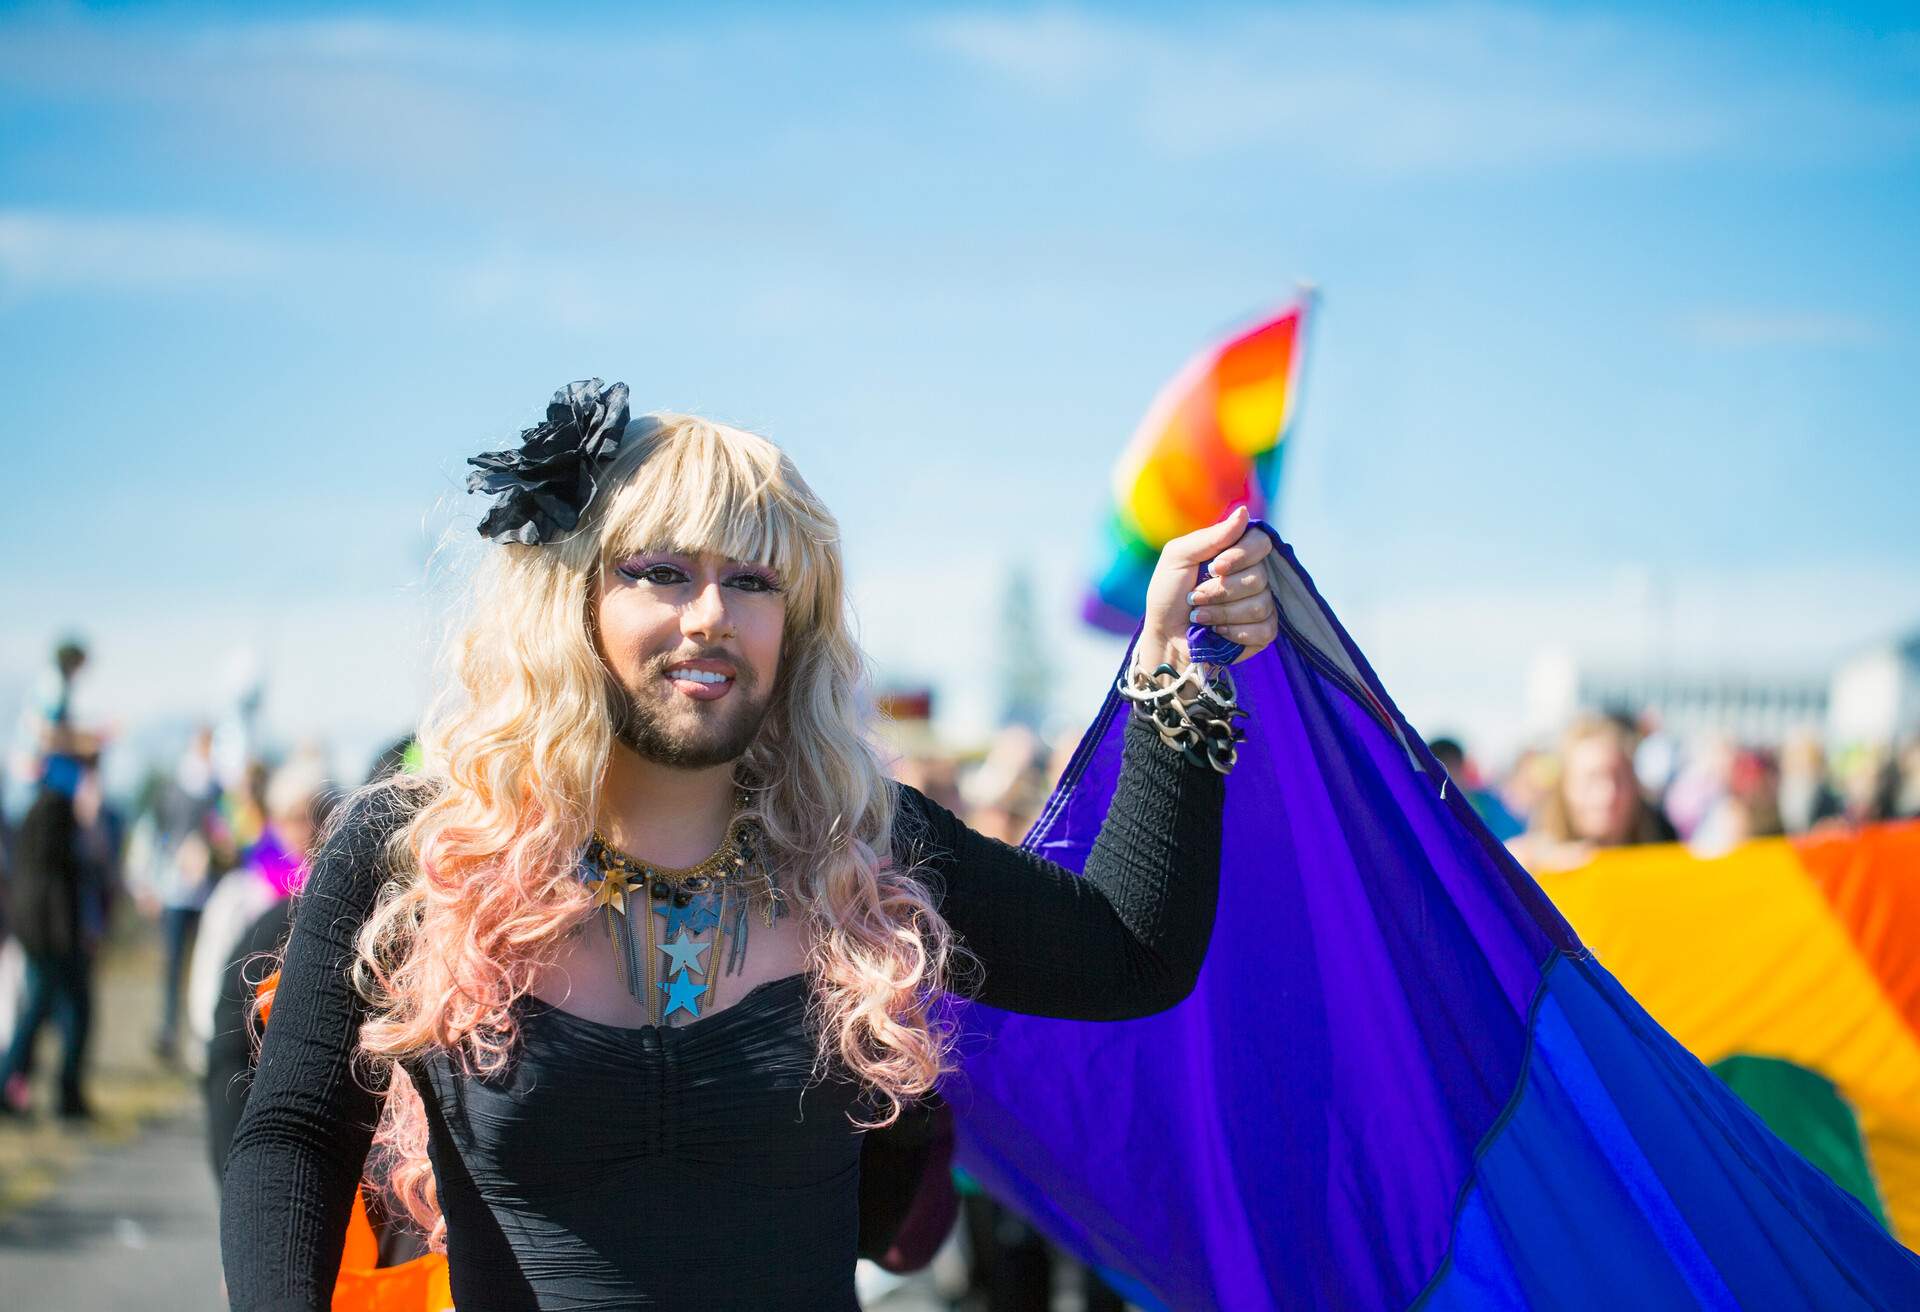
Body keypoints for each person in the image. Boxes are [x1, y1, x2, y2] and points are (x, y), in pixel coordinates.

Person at [220, 380, 1279, 1309]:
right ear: (573, 600)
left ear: (797, 619)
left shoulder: (865, 842)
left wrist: (1174, 668)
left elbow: (1131, 952)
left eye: (756, 581)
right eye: (662, 571)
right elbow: (295, 1137)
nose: (711, 615)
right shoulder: (420, 847)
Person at [1510, 712, 1677, 872]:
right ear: (1564, 787)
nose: (1607, 793)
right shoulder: (1536, 863)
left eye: (1619, 777)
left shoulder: (1667, 849)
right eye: (1592, 779)